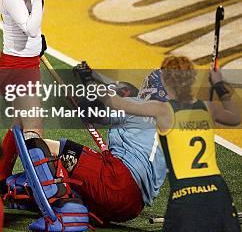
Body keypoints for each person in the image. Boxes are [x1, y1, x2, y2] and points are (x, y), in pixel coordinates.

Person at [99, 56, 241, 232]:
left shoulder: (163, 110)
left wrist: (91, 81)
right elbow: (236, 117)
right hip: (217, 191)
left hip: (185, 192)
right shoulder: (207, 107)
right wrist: (219, 85)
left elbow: (115, 102)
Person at [36, 69, 168, 223]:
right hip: (130, 210)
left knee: (42, 146)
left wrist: (86, 87)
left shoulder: (139, 106)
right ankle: (60, 198)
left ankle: (40, 195)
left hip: (115, 182)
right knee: (76, 179)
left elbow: (91, 111)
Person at [0, 0, 56, 186]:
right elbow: (30, 29)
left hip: (28, 64)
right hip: (15, 69)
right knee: (34, 131)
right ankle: (46, 190)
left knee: (19, 125)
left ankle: (0, 178)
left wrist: (38, 43)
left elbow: (33, 33)